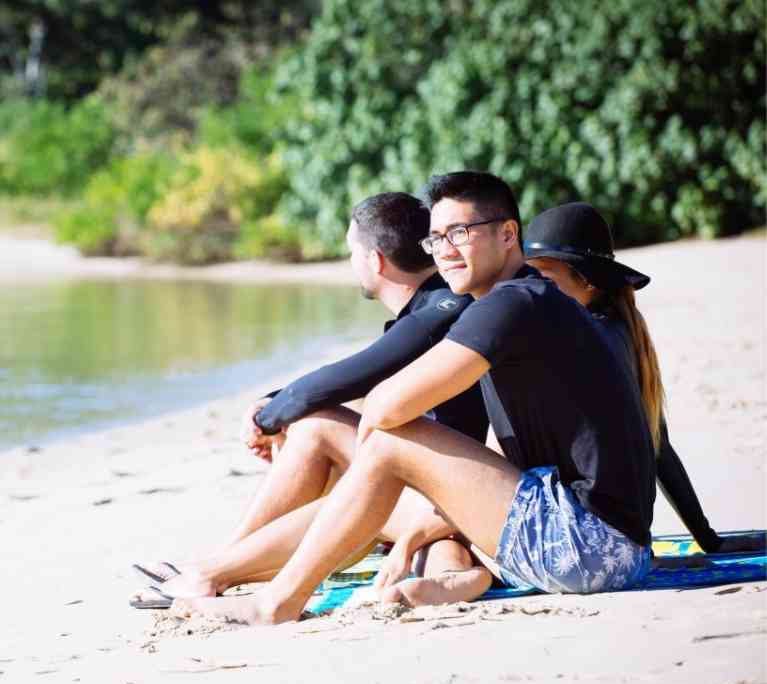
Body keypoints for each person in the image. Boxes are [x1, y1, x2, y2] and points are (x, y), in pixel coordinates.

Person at [172, 171, 658, 625]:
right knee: (386, 451)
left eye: (460, 233)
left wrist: (369, 471)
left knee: (388, 443)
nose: (444, 250)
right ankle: (237, 576)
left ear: (508, 234)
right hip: (607, 546)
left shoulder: (513, 304)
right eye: (436, 238)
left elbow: (386, 407)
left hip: (591, 549)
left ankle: (276, 601)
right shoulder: (520, 302)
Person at [130, 191, 492, 610]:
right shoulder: (432, 307)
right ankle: (219, 565)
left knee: (316, 422)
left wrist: (270, 413)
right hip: (437, 480)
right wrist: (282, 409)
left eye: (351, 252)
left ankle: (214, 569)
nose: (351, 263)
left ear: (374, 260)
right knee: (313, 423)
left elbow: (357, 372)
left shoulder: (442, 307)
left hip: (454, 492)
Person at [523, 202, 766, 555]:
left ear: (588, 282)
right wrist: (706, 536)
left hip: (589, 541)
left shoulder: (586, 342)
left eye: (543, 279)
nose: (530, 291)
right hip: (625, 536)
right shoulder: (620, 331)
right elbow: (659, 448)